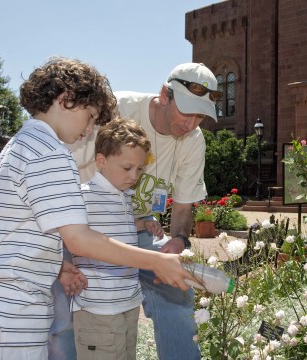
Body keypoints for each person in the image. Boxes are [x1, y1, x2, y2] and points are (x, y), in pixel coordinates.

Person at [0, 57, 192, 359]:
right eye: (91, 116)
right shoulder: (51, 152)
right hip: (12, 316)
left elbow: (22, 231)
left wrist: (60, 266)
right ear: (66, 100)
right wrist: (154, 261)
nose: (91, 129)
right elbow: (79, 239)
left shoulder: (24, 143)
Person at [67, 62, 221, 360]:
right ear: (165, 95)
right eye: (187, 112)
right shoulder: (117, 108)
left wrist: (177, 242)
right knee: (67, 301)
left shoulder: (193, 140)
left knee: (178, 287)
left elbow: (184, 206)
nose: (191, 124)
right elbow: (64, 169)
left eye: (200, 116)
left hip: (139, 226)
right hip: (84, 222)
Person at [71, 118, 163, 359]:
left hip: (127, 302)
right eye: (127, 168)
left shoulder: (123, 195)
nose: (134, 176)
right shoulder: (83, 197)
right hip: (97, 307)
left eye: (140, 169)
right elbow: (65, 238)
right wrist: (64, 269)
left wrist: (143, 224)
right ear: (101, 161)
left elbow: (116, 227)